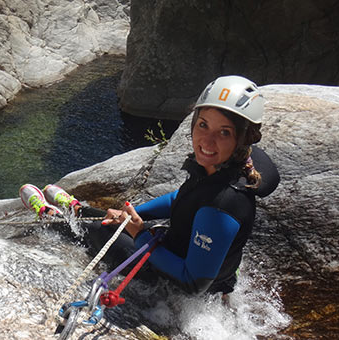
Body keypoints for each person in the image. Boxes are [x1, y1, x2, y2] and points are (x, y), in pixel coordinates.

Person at [19, 75, 280, 296]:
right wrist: (135, 214)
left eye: (224, 132)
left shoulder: (223, 205)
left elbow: (193, 283)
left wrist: (140, 234)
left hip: (173, 280)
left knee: (101, 231)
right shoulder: (230, 166)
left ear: (243, 138)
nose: (207, 141)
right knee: (113, 220)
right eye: (203, 125)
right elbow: (185, 198)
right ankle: (75, 209)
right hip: (182, 251)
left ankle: (50, 216)